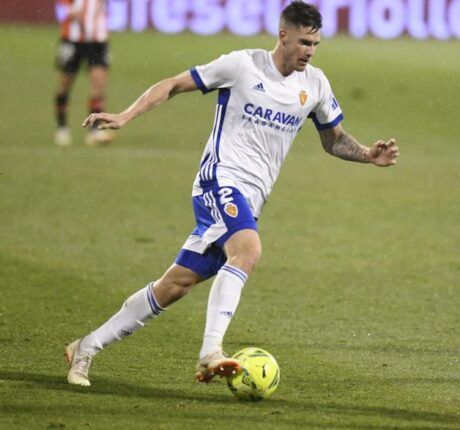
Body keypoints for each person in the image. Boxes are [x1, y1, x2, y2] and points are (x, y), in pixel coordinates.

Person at [65, 1, 399, 387]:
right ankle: (210, 352)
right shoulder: (242, 65)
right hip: (219, 180)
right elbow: (174, 84)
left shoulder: (315, 84)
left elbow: (334, 140)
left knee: (175, 285)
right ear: (283, 35)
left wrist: (366, 155)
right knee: (249, 250)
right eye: (304, 42)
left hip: (251, 200)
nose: (310, 51)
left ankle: (86, 347)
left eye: (316, 44)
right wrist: (124, 115)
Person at [54, 0, 114, 147]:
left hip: (97, 40)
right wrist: (71, 9)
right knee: (64, 86)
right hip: (73, 39)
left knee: (98, 86)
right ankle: (62, 127)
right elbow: (63, 5)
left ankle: (94, 131)